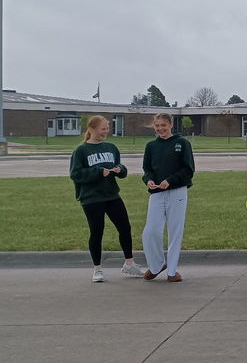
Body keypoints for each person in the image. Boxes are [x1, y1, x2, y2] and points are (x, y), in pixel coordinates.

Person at [69, 115, 144, 282]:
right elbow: (75, 174)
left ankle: (129, 263)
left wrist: (120, 169)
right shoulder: (81, 151)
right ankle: (97, 269)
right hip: (91, 198)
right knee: (97, 232)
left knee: (125, 227)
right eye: (103, 129)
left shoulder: (111, 147)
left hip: (111, 195)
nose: (106, 132)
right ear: (92, 129)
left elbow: (120, 167)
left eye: (107, 129)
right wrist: (96, 172)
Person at [142, 112, 195, 281]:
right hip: (157, 193)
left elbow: (188, 170)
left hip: (177, 192)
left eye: (163, 125)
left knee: (175, 231)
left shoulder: (182, 143)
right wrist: (148, 180)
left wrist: (170, 181)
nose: (160, 129)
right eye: (157, 126)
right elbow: (147, 169)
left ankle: (172, 271)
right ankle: (156, 265)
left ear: (171, 125)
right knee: (150, 232)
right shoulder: (151, 146)